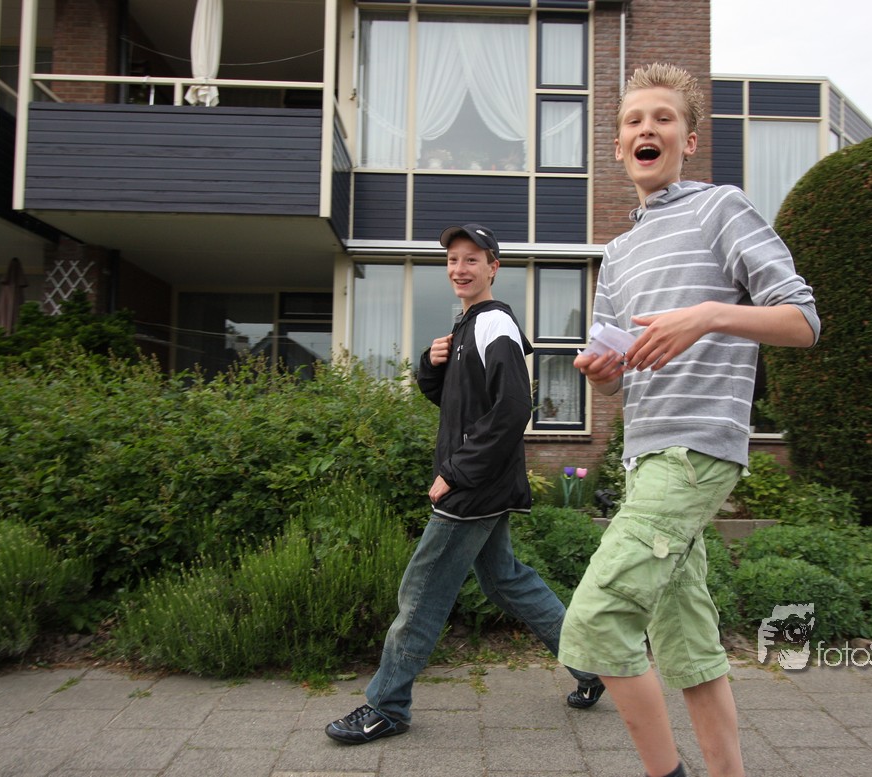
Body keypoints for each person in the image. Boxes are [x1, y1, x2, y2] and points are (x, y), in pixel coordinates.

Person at [558, 63, 821, 777]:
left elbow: (802, 321)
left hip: (696, 450)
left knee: (598, 619)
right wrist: (607, 373)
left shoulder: (720, 208)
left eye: (663, 118)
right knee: (688, 643)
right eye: (633, 121)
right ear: (619, 146)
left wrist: (707, 315)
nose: (647, 128)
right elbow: (623, 369)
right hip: (646, 455)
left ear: (690, 140)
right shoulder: (616, 255)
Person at [325, 223, 605, 745]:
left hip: (472, 488)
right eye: (453, 259)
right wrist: (430, 368)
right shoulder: (468, 325)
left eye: (472, 259)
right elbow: (458, 404)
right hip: (485, 484)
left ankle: (386, 707)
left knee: (422, 591)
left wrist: (455, 473)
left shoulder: (494, 324)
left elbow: (513, 410)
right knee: (506, 580)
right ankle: (591, 664)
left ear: (494, 267)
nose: (460, 268)